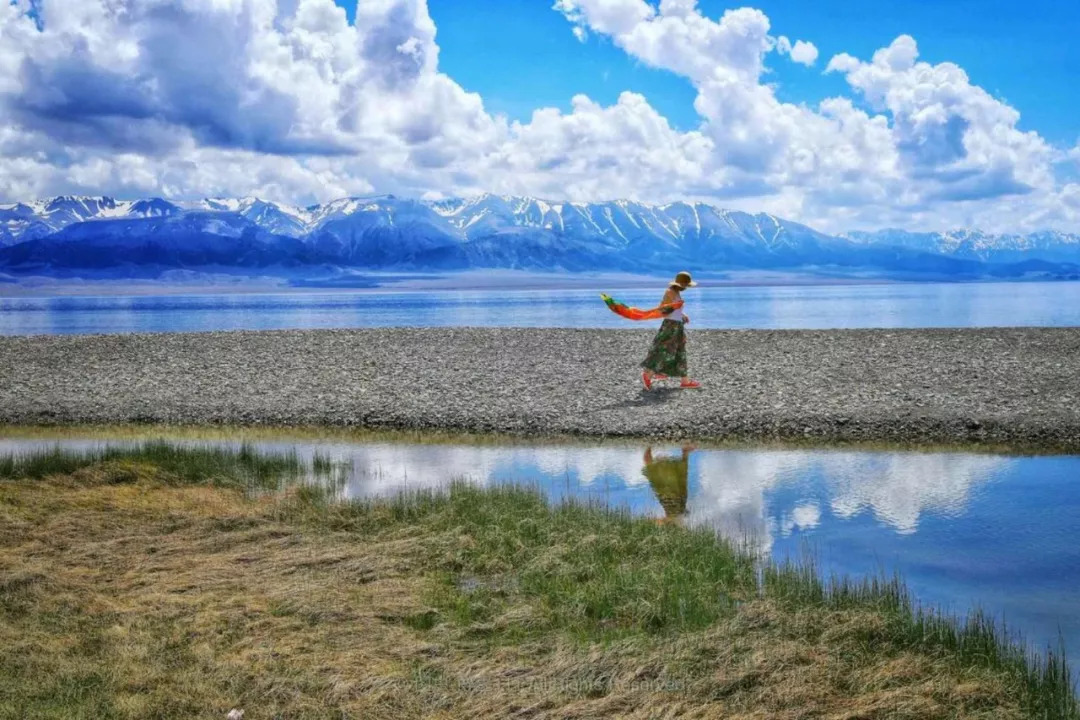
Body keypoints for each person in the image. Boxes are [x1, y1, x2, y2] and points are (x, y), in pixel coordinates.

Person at [641, 271, 701, 389]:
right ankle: (648, 375)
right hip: (670, 326)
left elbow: (674, 309)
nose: (685, 288)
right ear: (680, 284)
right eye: (685, 285)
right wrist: (675, 307)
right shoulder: (669, 292)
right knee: (665, 350)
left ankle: (685, 381)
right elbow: (663, 310)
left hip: (677, 325)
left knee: (680, 351)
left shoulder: (676, 292)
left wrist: (682, 314)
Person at [642, 445, 692, 525]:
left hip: (673, 500)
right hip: (672, 499)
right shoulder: (675, 516)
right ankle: (649, 445)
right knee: (653, 472)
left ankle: (649, 444)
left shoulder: (676, 515)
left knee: (679, 478)